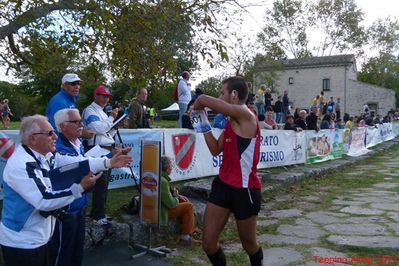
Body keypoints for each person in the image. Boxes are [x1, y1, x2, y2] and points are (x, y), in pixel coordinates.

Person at [0, 115, 131, 266]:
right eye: (49, 133)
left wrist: (108, 162)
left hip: (38, 238)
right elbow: (45, 200)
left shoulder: (45, 155)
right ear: (33, 139)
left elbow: (76, 163)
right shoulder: (21, 165)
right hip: (23, 243)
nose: (55, 136)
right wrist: (80, 188)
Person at [193, 76, 263, 266]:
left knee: (249, 245)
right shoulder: (230, 122)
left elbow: (203, 100)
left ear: (233, 95)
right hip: (223, 185)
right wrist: (203, 124)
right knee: (208, 243)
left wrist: (197, 105)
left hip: (245, 189)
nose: (219, 96)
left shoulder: (246, 115)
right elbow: (216, 149)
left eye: (222, 92)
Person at [51, 109, 131, 266]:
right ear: (63, 126)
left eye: (81, 120)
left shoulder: (76, 142)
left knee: (76, 254)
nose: (82, 124)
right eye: (77, 122)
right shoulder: (59, 148)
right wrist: (109, 162)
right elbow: (81, 164)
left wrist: (111, 156)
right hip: (65, 210)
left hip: (78, 206)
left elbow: (87, 159)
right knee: (62, 256)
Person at [82, 85, 120, 226]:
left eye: (108, 96)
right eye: (103, 95)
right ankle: (97, 216)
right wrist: (111, 119)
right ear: (95, 95)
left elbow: (106, 133)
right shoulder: (90, 110)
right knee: (100, 182)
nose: (105, 99)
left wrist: (114, 128)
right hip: (95, 149)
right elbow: (97, 129)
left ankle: (99, 213)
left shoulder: (103, 113)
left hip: (105, 147)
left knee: (103, 183)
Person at [160, 156, 200, 245]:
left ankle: (191, 231)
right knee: (189, 206)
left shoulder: (157, 176)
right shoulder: (163, 181)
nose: (172, 168)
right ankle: (185, 238)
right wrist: (176, 198)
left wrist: (178, 196)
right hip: (161, 212)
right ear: (167, 168)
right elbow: (171, 204)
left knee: (184, 202)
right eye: (171, 166)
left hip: (153, 209)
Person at [45, 73, 94, 139]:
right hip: (61, 146)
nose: (77, 86)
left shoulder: (70, 99)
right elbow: (56, 128)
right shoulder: (59, 102)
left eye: (78, 83)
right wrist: (81, 133)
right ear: (64, 86)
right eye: (73, 84)